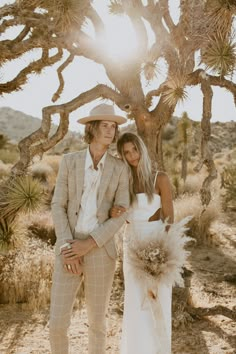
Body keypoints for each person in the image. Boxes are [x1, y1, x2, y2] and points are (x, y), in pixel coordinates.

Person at [49, 103, 130, 354]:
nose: (110, 130)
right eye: (105, 125)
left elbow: (121, 212)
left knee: (97, 323)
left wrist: (90, 243)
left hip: (100, 251)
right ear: (92, 129)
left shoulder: (120, 168)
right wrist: (67, 246)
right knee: (57, 324)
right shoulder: (69, 161)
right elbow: (57, 204)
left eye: (113, 127)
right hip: (69, 247)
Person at [110, 132, 174, 354]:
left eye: (134, 150)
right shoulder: (124, 181)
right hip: (131, 243)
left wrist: (162, 254)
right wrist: (114, 211)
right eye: (126, 153)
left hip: (156, 244)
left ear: (141, 149)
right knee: (136, 301)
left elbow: (168, 219)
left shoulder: (160, 179)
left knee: (157, 298)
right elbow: (117, 212)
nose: (131, 156)